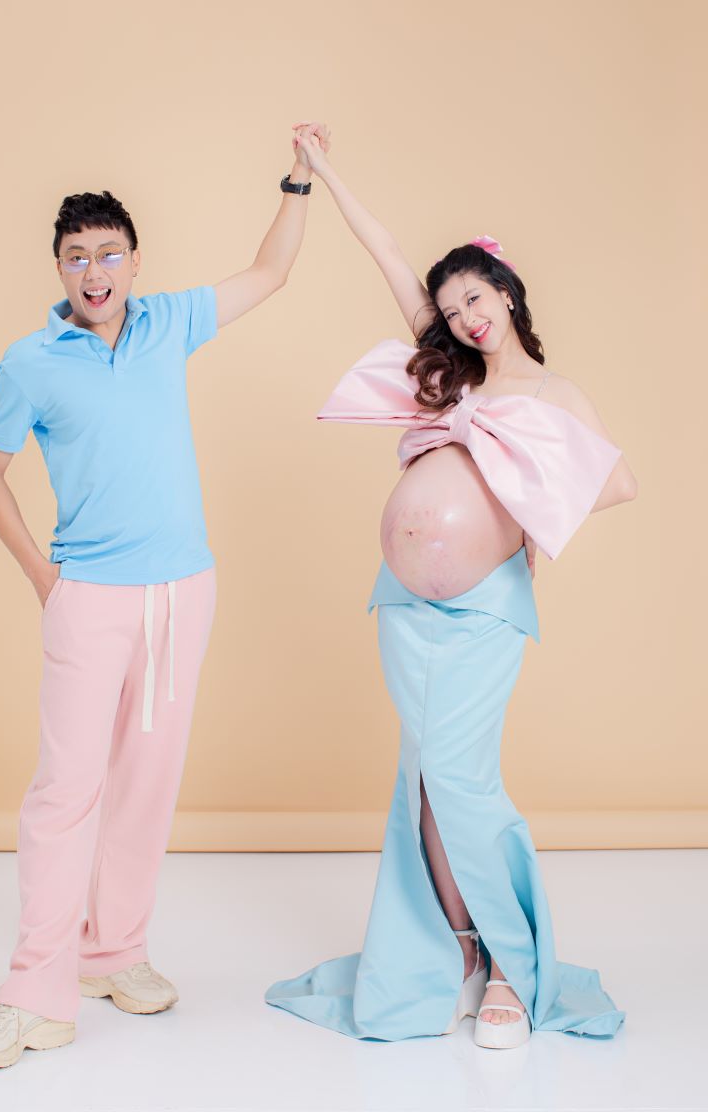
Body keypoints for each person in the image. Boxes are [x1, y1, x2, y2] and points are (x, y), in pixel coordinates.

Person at [0, 121, 330, 1069]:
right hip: (89, 596)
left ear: (133, 259)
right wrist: (44, 576)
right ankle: (33, 992)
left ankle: (113, 951)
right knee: (65, 792)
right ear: (59, 267)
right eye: (77, 256)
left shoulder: (168, 322)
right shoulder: (30, 361)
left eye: (110, 253)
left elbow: (271, 272)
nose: (96, 271)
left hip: (184, 589)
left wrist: (298, 180)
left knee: (147, 782)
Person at [265, 129, 636, 1049]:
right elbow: (387, 251)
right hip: (404, 606)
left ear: (506, 293)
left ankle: (513, 962)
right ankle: (460, 951)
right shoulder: (449, 373)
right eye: (450, 308)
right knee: (426, 781)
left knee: (463, 780)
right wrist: (320, 171)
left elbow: (617, 482)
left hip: (483, 610)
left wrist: (532, 512)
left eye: (475, 298)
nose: (465, 317)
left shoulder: (553, 393)